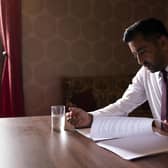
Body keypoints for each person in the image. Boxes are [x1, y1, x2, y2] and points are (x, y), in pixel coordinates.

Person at [66, 18, 168, 131]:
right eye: (135, 55)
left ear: (162, 43)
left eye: (142, 52)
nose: (140, 61)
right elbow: (123, 106)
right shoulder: (146, 73)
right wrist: (89, 118)